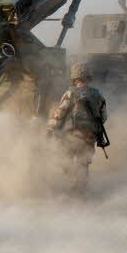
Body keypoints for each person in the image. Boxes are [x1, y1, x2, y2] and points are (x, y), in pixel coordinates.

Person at [46, 62, 107, 197]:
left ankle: (68, 189)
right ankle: (80, 192)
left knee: (65, 159)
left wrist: (50, 128)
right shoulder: (97, 94)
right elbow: (103, 116)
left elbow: (60, 113)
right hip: (90, 136)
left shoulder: (70, 93)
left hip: (72, 135)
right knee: (83, 164)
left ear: (74, 78)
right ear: (89, 77)